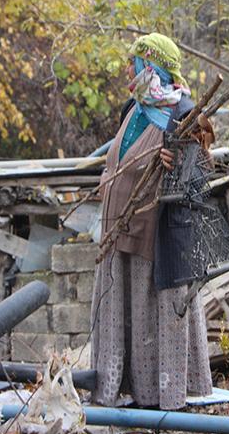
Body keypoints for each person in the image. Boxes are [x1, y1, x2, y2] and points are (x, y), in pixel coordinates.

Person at [91, 33, 213, 410]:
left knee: (154, 313)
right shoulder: (135, 107)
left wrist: (178, 166)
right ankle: (117, 388)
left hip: (156, 240)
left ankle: (161, 393)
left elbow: (202, 176)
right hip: (119, 232)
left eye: (136, 63)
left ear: (152, 68)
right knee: (120, 313)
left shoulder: (184, 112)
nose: (130, 69)